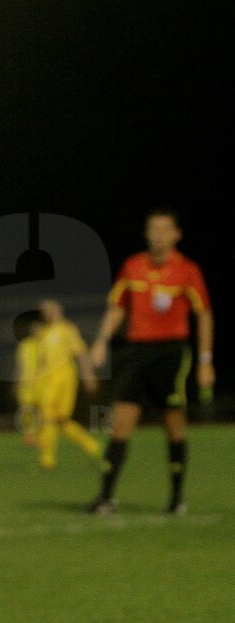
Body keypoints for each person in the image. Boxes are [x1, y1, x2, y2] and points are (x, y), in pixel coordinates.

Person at [88, 209, 214, 515]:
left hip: (171, 354)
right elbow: (117, 308)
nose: (157, 235)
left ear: (176, 235)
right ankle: (105, 497)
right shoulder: (133, 266)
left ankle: (177, 498)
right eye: (152, 229)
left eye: (163, 229)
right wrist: (101, 341)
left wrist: (205, 360)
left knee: (173, 426)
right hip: (137, 353)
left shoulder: (187, 270)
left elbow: (204, 315)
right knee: (120, 424)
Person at [31, 298, 100, 470]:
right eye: (44, 310)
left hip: (65, 380)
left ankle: (91, 445)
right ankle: (47, 459)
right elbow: (41, 361)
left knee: (60, 420)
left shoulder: (67, 329)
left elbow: (81, 353)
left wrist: (88, 374)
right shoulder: (44, 332)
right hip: (46, 381)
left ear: (58, 309)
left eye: (49, 309)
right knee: (49, 417)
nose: (47, 313)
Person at [13, 312, 42, 450]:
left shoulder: (44, 344)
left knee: (43, 413)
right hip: (26, 384)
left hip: (43, 384)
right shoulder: (25, 344)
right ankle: (30, 438)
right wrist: (17, 380)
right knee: (26, 412)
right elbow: (20, 364)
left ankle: (42, 439)